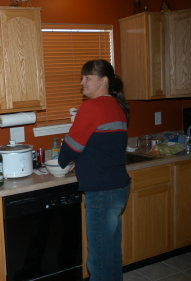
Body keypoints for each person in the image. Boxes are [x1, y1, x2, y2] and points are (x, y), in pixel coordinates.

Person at [58, 59, 131, 281]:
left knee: (98, 258)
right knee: (111, 253)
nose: (82, 82)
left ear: (104, 81)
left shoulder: (92, 107)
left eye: (87, 77)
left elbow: (71, 146)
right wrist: (80, 159)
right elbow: (100, 145)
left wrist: (65, 159)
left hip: (102, 191)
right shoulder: (118, 106)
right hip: (118, 187)